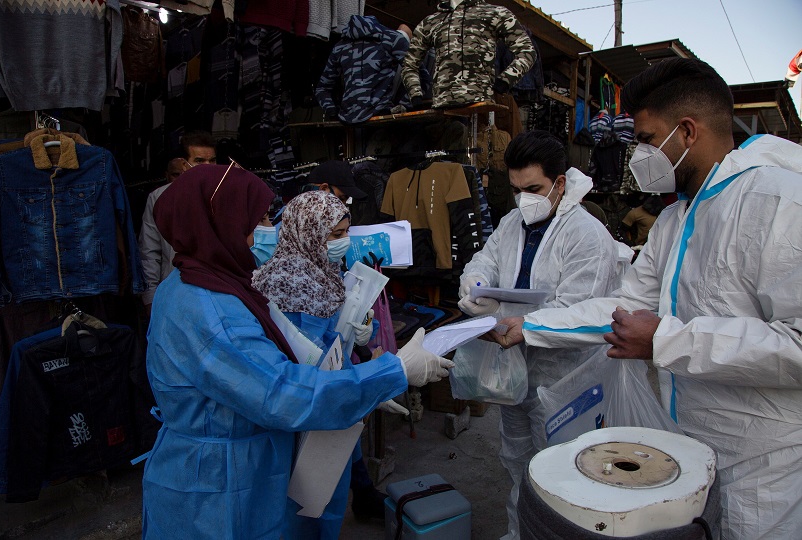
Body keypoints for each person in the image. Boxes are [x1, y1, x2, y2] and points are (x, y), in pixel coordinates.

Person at [497, 58, 802, 539]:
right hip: (680, 446)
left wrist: (665, 340)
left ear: (687, 132)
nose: (636, 155)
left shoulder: (779, 202)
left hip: (761, 462)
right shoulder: (676, 219)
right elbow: (624, 309)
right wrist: (531, 326)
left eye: (644, 139)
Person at [140, 164, 453, 539]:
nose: (268, 230)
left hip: (235, 462)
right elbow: (282, 392)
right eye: (257, 220)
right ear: (220, 224)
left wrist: (362, 381)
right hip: (219, 482)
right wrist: (390, 374)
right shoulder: (210, 308)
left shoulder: (202, 282)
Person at [456, 130, 623, 540]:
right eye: (515, 190)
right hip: (513, 368)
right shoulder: (513, 222)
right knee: (517, 461)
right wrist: (476, 284)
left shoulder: (587, 235)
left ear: (559, 183)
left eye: (532, 189)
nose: (522, 199)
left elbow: (580, 312)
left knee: (563, 470)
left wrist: (527, 327)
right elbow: (486, 259)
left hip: (564, 378)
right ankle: (521, 532)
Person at [252, 190, 415, 535]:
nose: (344, 242)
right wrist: (367, 379)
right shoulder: (283, 282)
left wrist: (361, 331)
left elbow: (336, 330)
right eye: (336, 234)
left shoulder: (324, 269)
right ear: (308, 231)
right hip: (307, 401)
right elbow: (301, 355)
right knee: (305, 501)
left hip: (335, 390)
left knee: (328, 491)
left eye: (346, 232)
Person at [138, 132, 217, 315]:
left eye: (212, 160)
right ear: (184, 164)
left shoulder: (227, 194)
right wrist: (150, 297)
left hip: (218, 291)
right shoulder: (160, 198)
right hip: (175, 290)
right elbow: (149, 250)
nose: (207, 167)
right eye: (199, 161)